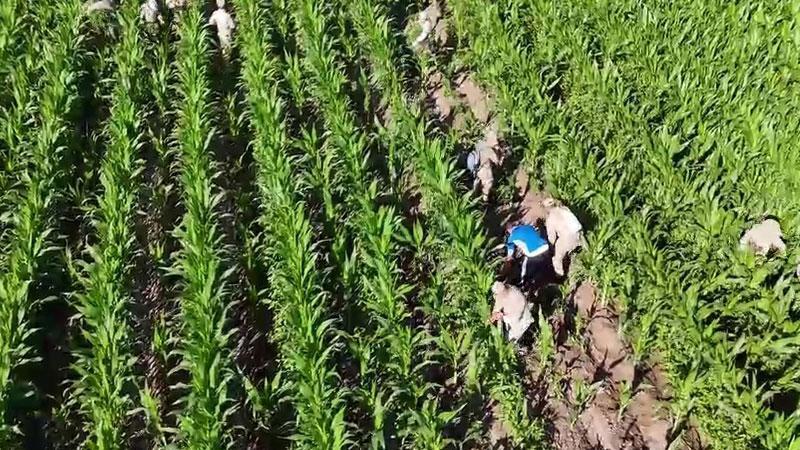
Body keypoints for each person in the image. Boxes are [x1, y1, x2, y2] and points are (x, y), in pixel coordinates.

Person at [543, 198, 583, 277]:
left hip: (568, 238)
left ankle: (559, 274)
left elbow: (552, 237)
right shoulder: (565, 209)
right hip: (578, 234)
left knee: (557, 258)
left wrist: (551, 246)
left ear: (547, 208)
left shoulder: (550, 219)